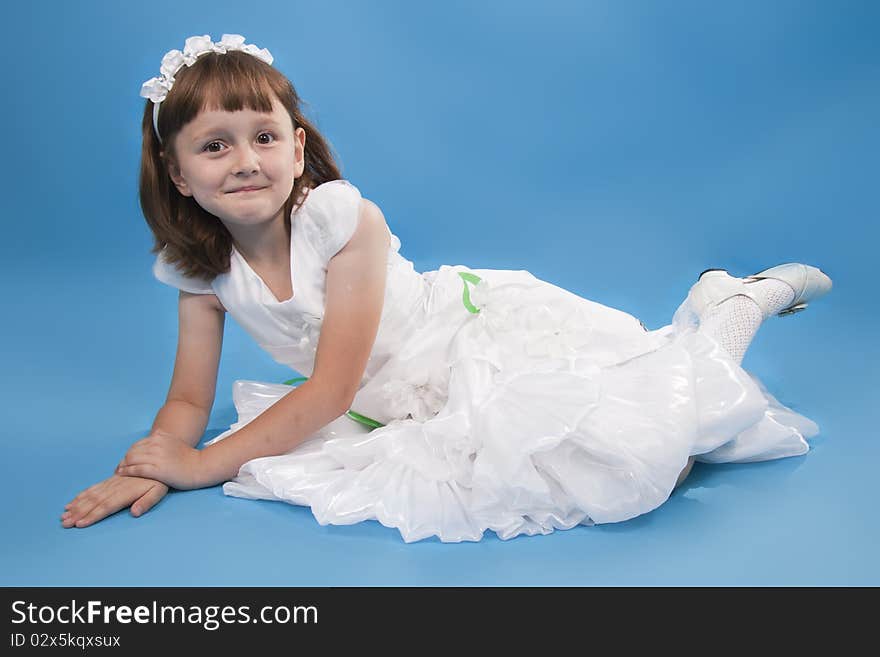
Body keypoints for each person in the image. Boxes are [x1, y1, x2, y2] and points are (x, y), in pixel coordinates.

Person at [62, 34, 832, 543]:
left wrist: (200, 466)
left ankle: (735, 303)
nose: (245, 160)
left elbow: (328, 388)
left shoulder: (338, 218)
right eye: (213, 146)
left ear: (298, 148)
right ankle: (716, 302)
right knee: (615, 463)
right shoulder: (202, 271)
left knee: (657, 441)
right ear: (177, 173)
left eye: (264, 137)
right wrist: (154, 460)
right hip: (384, 398)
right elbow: (190, 403)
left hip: (463, 343)